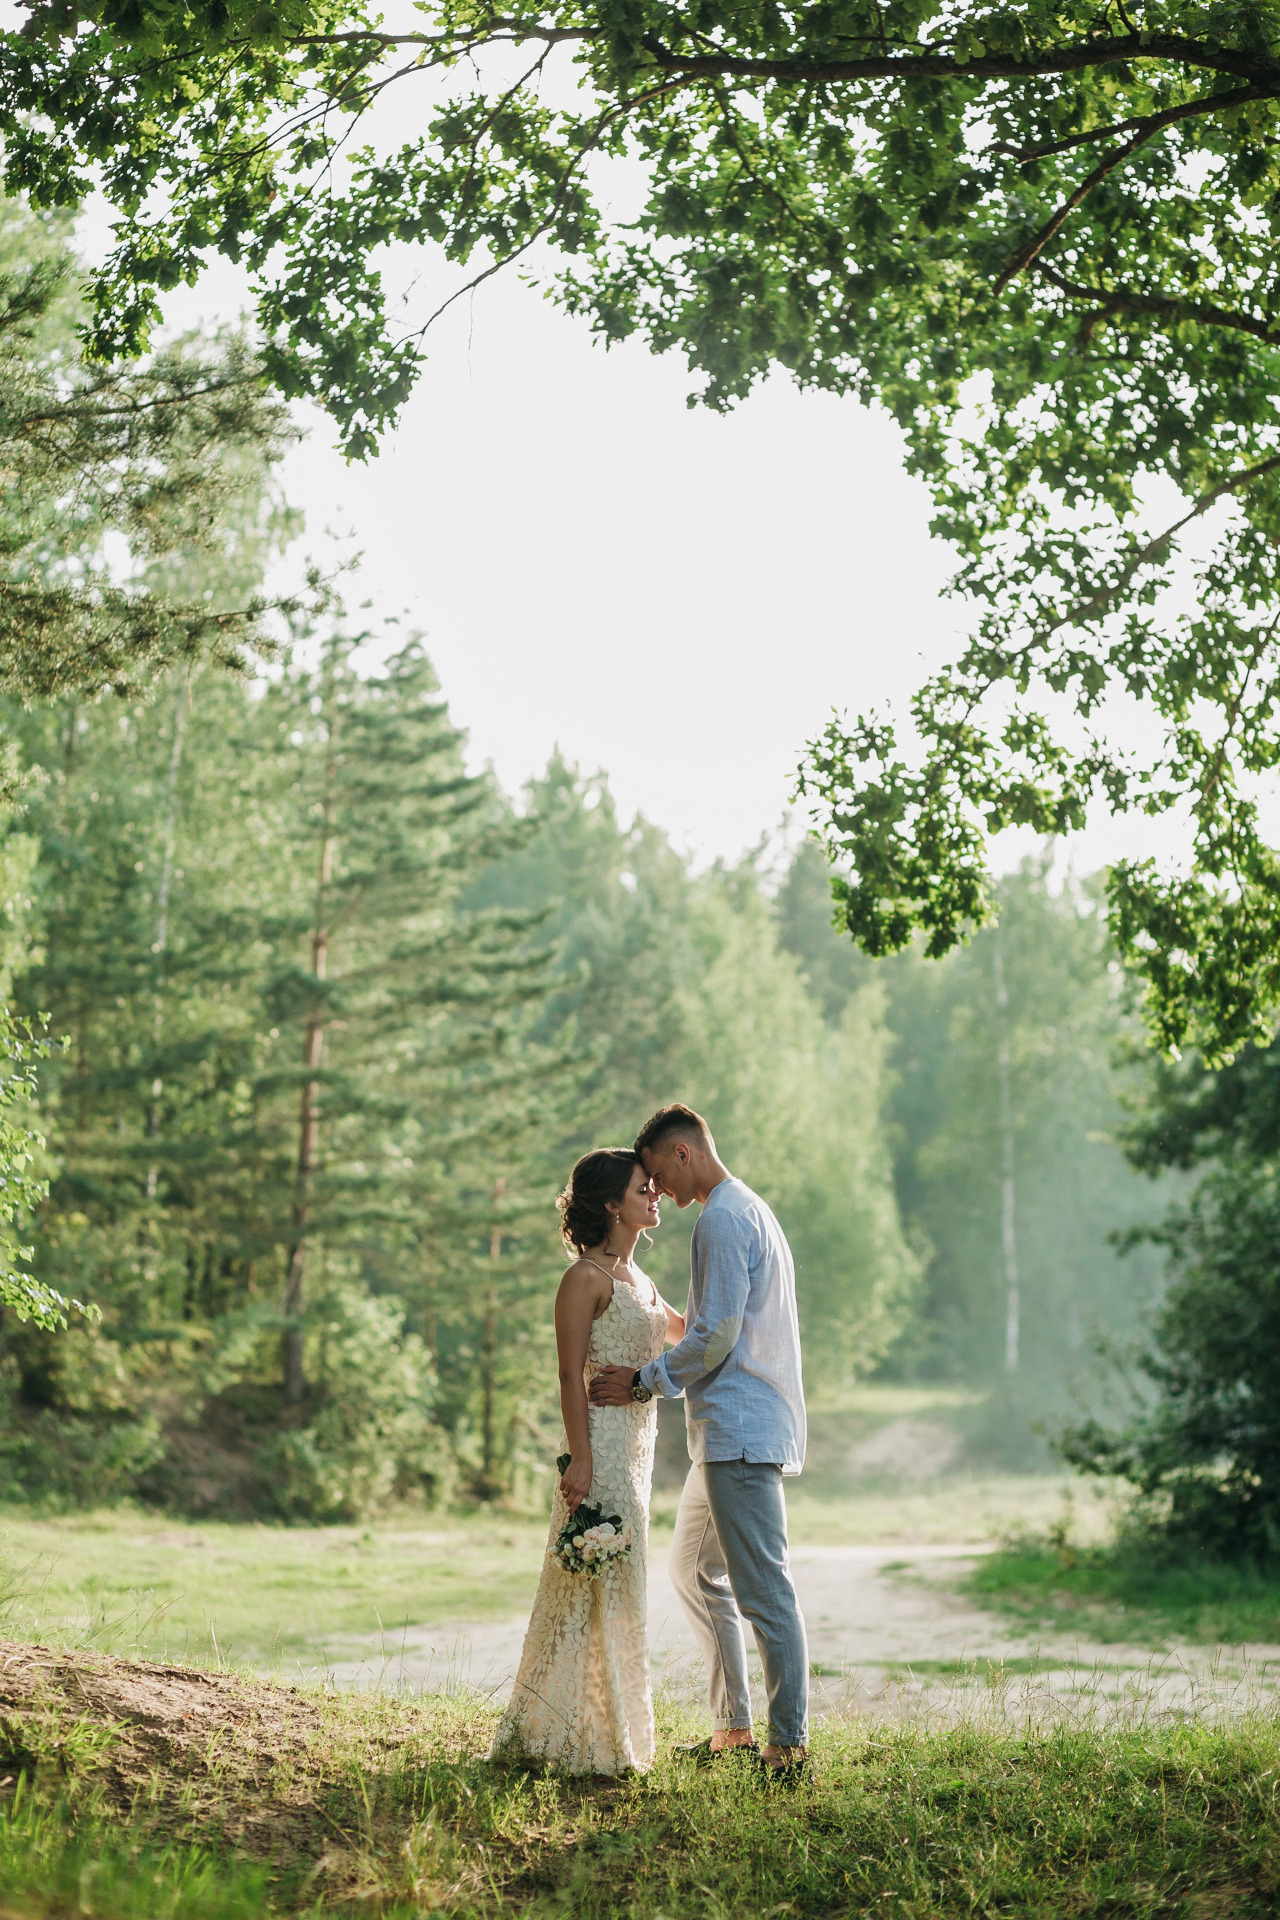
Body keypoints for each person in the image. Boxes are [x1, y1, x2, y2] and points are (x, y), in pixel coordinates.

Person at [589, 1104, 809, 1779]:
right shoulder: (747, 1209)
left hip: (740, 1428)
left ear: (682, 1153)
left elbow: (717, 1337)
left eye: (658, 1172)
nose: (660, 1191)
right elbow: (709, 1324)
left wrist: (644, 1382)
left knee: (764, 1590)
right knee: (690, 1570)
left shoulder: (720, 1218)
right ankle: (733, 1731)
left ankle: (789, 1746)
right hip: (727, 1432)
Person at [489, 1148, 684, 1775]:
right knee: (588, 1578)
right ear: (610, 1204)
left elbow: (687, 1333)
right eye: (641, 1189)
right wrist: (579, 1459)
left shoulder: (643, 1281)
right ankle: (562, 1733)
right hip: (600, 1443)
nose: (654, 1197)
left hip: (639, 1447)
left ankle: (609, 1728)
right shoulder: (584, 1278)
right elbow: (570, 1376)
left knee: (624, 1583)